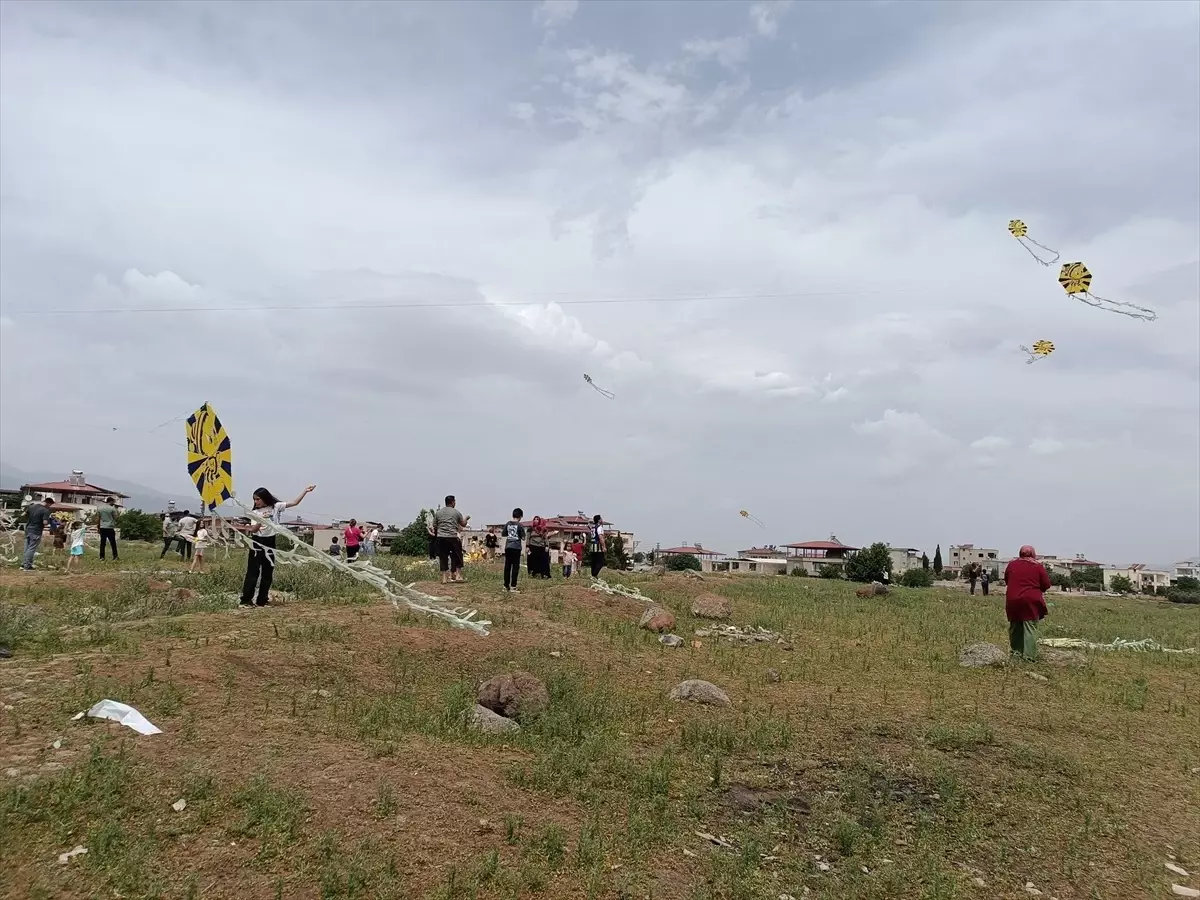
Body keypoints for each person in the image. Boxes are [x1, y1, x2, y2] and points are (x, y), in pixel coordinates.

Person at [241, 484, 316, 608]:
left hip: (270, 541)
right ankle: (246, 600)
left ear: (265, 498)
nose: (256, 501)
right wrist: (261, 520)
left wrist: (305, 491)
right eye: (254, 499)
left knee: (268, 571)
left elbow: (294, 503)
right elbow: (254, 530)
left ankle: (262, 600)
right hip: (258, 542)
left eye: (258, 499)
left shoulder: (275, 507)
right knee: (253, 572)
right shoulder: (254, 512)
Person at [1004, 545, 1050, 661]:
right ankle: (1029, 658)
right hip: (1031, 600)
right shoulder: (1037, 566)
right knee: (1030, 627)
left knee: (1015, 627)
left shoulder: (1011, 565)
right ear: (1033, 554)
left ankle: (1016, 655)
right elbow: (1046, 584)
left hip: (1013, 599)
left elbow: (1007, 580)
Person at [433, 495, 469, 584]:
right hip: (452, 537)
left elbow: (434, 525)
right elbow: (463, 524)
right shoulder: (456, 512)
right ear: (452, 502)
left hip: (441, 537)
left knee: (443, 557)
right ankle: (458, 575)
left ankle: (444, 578)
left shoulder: (439, 513)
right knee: (458, 556)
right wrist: (466, 518)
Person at [21, 497, 55, 571]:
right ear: (48, 503)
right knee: (31, 548)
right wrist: (50, 520)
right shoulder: (45, 510)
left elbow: (23, 514)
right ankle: (27, 566)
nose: (49, 507)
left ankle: (24, 564)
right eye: (50, 505)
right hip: (36, 531)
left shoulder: (31, 506)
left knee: (26, 548)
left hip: (28, 529)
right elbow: (45, 523)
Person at [501, 508, 525, 593]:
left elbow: (503, 534)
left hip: (508, 547)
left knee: (507, 566)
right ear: (520, 516)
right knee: (515, 567)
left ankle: (505, 586)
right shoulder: (520, 525)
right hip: (516, 547)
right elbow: (523, 537)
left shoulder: (508, 524)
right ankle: (513, 586)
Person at [588, 514, 607, 579]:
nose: (602, 520)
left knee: (594, 562)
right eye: (601, 518)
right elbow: (600, 537)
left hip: (592, 546)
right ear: (599, 520)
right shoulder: (599, 527)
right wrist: (604, 546)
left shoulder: (593, 527)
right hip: (598, 546)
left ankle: (593, 574)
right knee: (600, 562)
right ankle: (594, 575)